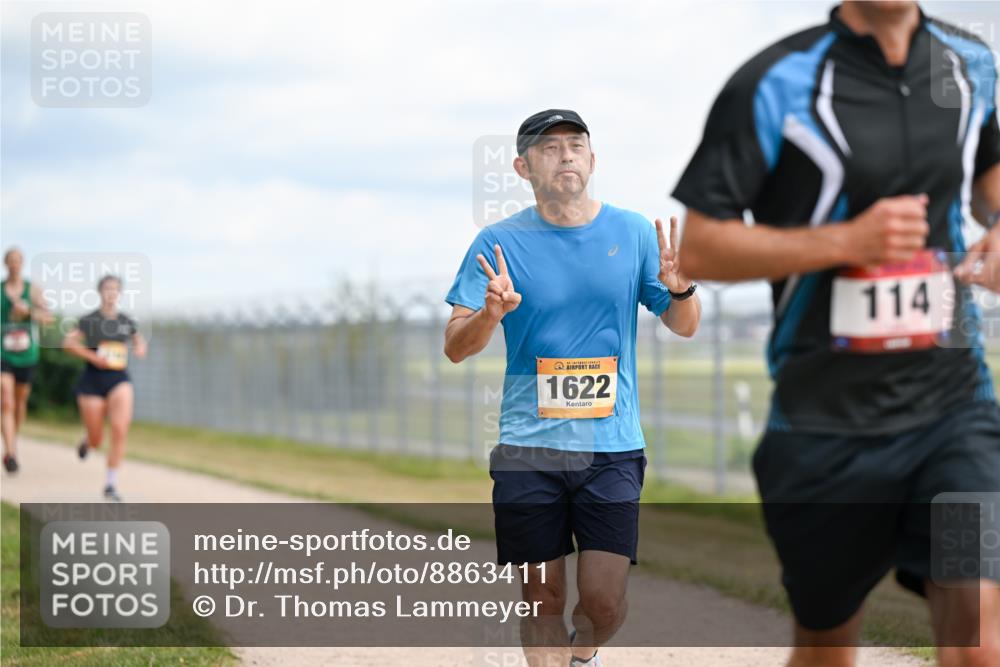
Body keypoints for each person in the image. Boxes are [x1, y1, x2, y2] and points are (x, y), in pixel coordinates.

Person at [673, 2, 1000, 666]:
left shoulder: (973, 65)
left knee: (976, 630)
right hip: (824, 425)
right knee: (827, 646)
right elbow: (701, 248)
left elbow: (989, 176)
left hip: (951, 406)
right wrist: (847, 240)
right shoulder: (775, 81)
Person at [445, 109, 701, 667]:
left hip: (611, 448)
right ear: (522, 166)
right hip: (527, 449)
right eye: (549, 147)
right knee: (542, 596)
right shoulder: (498, 242)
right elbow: (456, 346)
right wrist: (490, 315)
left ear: (592, 159)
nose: (565, 154)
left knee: (603, 603)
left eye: (575, 145)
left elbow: (684, 326)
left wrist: (681, 291)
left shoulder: (633, 232)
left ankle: (583, 655)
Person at [63, 275, 147, 502]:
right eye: (107, 288)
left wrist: (139, 348)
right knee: (97, 438)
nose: (111, 292)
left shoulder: (126, 320)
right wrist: (92, 356)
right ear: (100, 291)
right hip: (93, 381)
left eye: (115, 289)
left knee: (120, 429)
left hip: (119, 379)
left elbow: (138, 340)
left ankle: (110, 483)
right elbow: (68, 343)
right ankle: (87, 441)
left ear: (119, 293)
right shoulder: (89, 320)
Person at [1, 247, 52, 473]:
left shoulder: (33, 290)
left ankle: (13, 442)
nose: (14, 264)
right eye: (10, 260)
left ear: (22, 264)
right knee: (5, 400)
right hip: (3, 353)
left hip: (27, 355)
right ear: (5, 263)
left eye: (17, 261)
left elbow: (47, 318)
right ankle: (10, 453)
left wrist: (28, 313)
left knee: (20, 403)